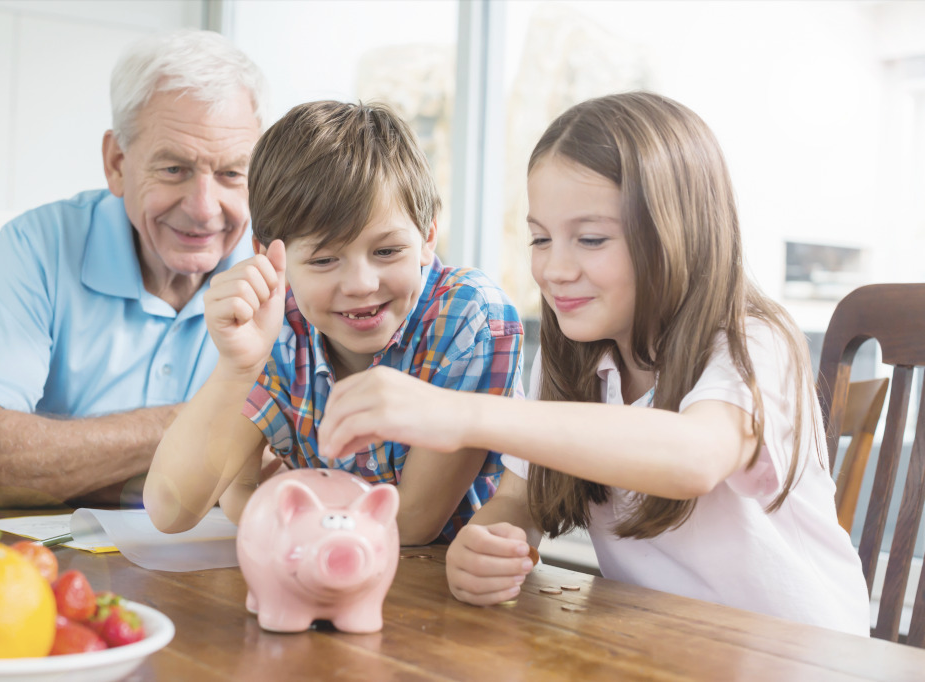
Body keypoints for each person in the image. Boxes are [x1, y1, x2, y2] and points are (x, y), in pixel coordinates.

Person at [317, 91, 870, 635]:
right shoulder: (575, 356)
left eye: (590, 238)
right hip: (666, 650)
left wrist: (461, 414)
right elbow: (518, 498)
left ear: (679, 233)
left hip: (807, 657)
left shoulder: (753, 341)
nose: (554, 268)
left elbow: (695, 456)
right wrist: (486, 546)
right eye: (539, 238)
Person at [143, 100, 524, 546]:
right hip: (309, 579)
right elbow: (170, 511)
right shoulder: (279, 323)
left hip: (439, 589)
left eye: (386, 252)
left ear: (427, 236)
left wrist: (272, 504)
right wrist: (237, 367)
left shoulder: (468, 314)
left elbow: (414, 522)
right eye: (324, 260)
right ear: (269, 256)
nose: (362, 284)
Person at [0, 29, 268, 508]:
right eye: (174, 169)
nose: (203, 208)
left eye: (233, 173)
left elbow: (295, 459)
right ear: (116, 162)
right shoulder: (39, 246)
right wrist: (202, 425)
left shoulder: (284, 266)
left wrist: (75, 466)